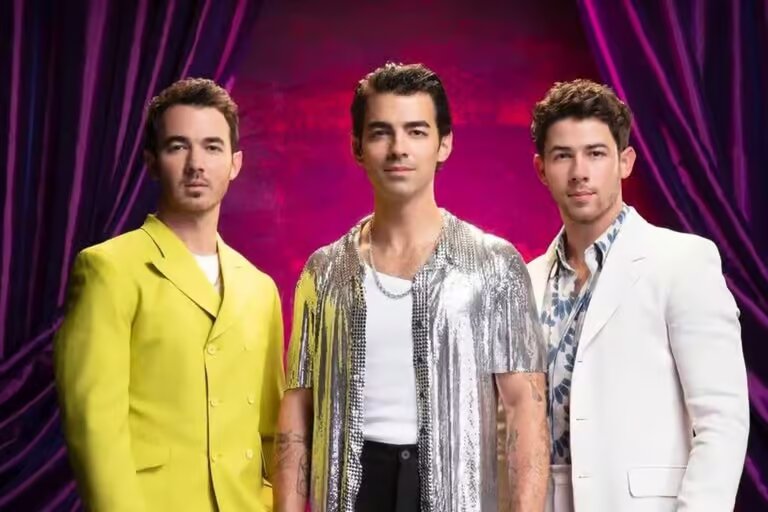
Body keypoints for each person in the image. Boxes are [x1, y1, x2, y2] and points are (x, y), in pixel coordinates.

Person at [274, 62, 549, 512]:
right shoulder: (323, 272)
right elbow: (297, 410)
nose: (398, 148)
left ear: (444, 144)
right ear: (357, 147)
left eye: (416, 132)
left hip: (453, 494)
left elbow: (526, 411)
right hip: (351, 493)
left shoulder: (494, 265)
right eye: (381, 132)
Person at [54, 78, 284, 511]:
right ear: (152, 162)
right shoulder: (108, 269)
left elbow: (272, 430)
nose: (196, 164)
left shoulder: (260, 288)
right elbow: (95, 427)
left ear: (235, 163)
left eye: (212, 147)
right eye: (178, 146)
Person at [528, 79, 749, 512]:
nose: (579, 172)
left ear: (625, 162)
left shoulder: (682, 261)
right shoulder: (527, 279)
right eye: (563, 156)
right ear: (541, 169)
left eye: (595, 153)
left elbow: (722, 420)